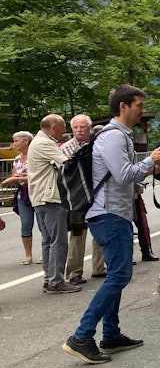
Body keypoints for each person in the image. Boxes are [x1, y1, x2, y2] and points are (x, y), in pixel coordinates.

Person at [62, 85, 160, 364]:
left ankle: (110, 335)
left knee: (115, 274)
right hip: (109, 214)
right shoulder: (112, 137)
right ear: (123, 106)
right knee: (120, 275)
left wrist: (151, 167)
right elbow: (123, 175)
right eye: (138, 106)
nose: (141, 111)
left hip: (113, 212)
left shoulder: (120, 136)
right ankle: (82, 336)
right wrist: (150, 160)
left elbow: (124, 175)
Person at [27, 114, 80, 294]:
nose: (65, 130)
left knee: (48, 240)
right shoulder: (45, 143)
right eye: (63, 126)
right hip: (50, 197)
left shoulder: (39, 141)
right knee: (58, 240)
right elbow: (66, 163)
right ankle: (56, 281)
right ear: (53, 128)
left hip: (40, 197)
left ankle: (49, 279)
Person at [61, 115, 107, 283]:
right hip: (77, 198)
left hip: (99, 194)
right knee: (77, 235)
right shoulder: (66, 149)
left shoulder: (98, 145)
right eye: (76, 127)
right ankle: (74, 272)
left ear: (90, 127)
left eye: (82, 127)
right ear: (72, 129)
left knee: (100, 231)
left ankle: (99, 267)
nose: (79, 130)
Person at [3, 131, 36, 265]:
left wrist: (18, 178)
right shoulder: (17, 158)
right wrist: (16, 177)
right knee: (26, 224)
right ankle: (28, 254)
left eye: (16, 141)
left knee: (43, 225)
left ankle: (47, 251)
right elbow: (14, 174)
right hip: (22, 194)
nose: (14, 144)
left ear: (26, 141)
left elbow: (37, 176)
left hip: (36, 192)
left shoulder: (35, 157)